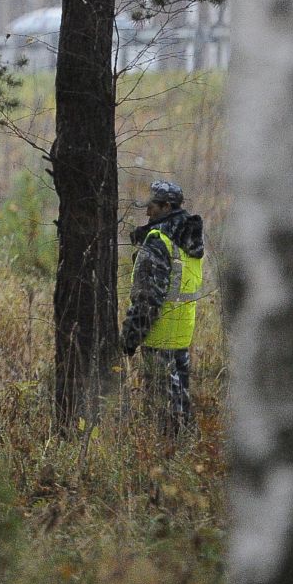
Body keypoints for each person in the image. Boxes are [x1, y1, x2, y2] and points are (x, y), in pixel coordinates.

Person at [119, 179, 205, 434]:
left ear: (167, 206)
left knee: (161, 414)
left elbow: (148, 300)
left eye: (152, 207)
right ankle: (183, 457)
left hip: (158, 337)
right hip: (181, 335)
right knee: (179, 406)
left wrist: (129, 338)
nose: (147, 212)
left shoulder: (158, 242)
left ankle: (163, 466)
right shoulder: (189, 240)